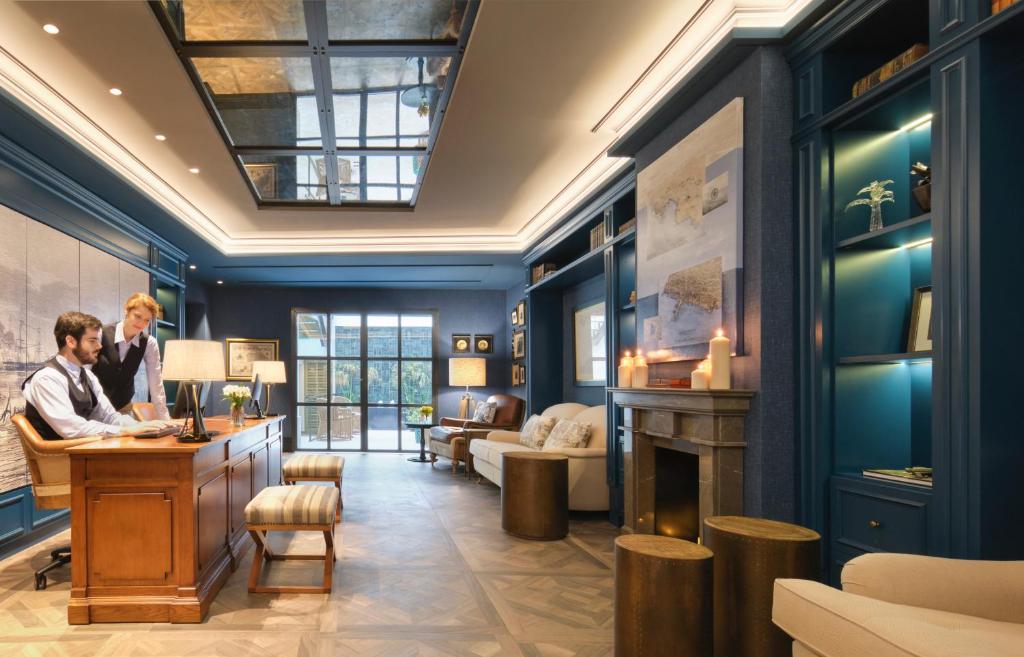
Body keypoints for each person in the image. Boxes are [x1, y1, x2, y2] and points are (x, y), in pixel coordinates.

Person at [22, 311, 173, 440]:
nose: (100, 346)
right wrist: (125, 431)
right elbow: (72, 428)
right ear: (70, 341)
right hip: (62, 461)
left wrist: (142, 426)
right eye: (92, 340)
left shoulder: (88, 376)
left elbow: (110, 417)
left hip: (86, 455)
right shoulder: (47, 379)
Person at [92, 292, 170, 420]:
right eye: (138, 316)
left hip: (123, 408)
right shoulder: (101, 334)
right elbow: (84, 370)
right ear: (127, 311)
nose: (141, 323)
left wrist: (165, 420)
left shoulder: (149, 343)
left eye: (147, 320)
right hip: (95, 407)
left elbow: (156, 383)